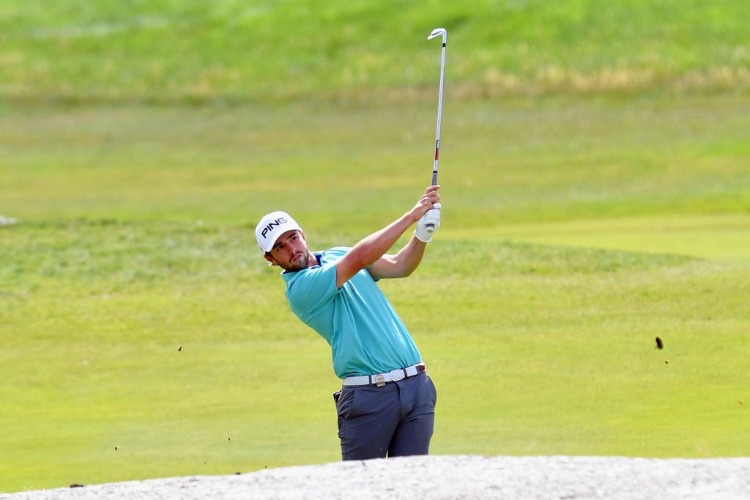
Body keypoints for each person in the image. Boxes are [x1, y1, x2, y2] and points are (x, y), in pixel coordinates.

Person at [255, 185, 442, 460]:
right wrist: (411, 216)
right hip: (369, 397)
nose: (291, 249)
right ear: (271, 260)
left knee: (412, 485)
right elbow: (359, 258)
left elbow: (401, 265)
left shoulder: (334, 255)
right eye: (280, 248)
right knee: (362, 487)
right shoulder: (300, 289)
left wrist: (422, 235)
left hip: (416, 386)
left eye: (293, 238)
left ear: (303, 235)